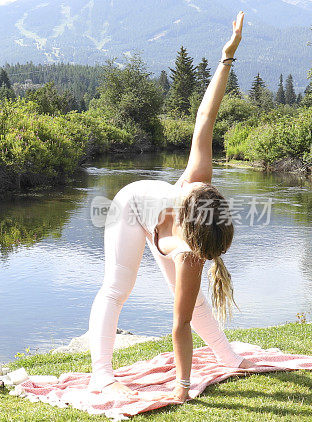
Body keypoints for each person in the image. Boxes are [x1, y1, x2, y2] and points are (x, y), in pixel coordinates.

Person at [87, 11, 254, 402]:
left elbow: (206, 116)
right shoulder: (188, 242)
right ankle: (100, 374)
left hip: (166, 224)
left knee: (193, 299)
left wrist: (227, 57)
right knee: (117, 288)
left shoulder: (199, 192)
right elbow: (178, 324)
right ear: (190, 236)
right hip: (130, 208)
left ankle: (227, 356)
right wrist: (182, 388)